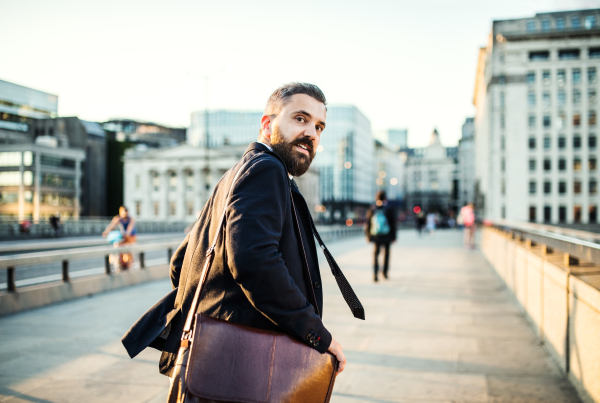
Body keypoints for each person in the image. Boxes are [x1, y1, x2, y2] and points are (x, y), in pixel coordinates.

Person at [121, 83, 348, 380]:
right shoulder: (267, 170)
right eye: (300, 119)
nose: (311, 134)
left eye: (319, 127)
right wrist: (318, 335)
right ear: (267, 125)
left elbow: (181, 262)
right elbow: (254, 261)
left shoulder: (237, 173)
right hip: (241, 366)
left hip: (213, 359)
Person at [365, 190, 397, 282]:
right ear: (385, 198)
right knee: (386, 254)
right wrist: (394, 237)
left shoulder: (373, 209)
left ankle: (375, 274)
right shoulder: (389, 209)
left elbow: (368, 223)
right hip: (387, 235)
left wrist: (368, 235)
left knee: (376, 254)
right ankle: (385, 273)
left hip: (376, 236)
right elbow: (393, 224)